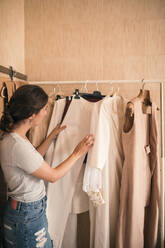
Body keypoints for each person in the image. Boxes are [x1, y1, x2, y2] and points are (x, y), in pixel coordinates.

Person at [0, 84, 94, 248]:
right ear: (31, 115)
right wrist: (78, 153)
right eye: (44, 109)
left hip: (25, 212)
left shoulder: (14, 137)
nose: (45, 113)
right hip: (27, 216)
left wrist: (52, 135)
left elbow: (33, 159)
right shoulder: (17, 145)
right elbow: (53, 176)